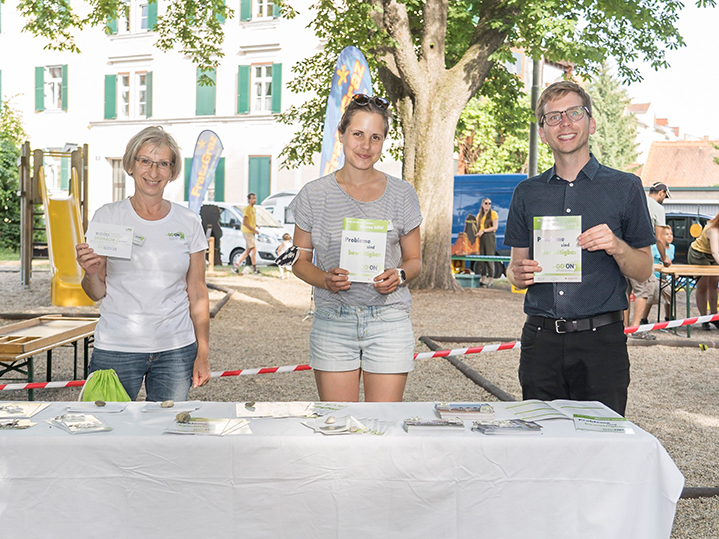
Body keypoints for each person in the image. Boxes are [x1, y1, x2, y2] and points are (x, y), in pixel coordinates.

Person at [505, 81, 655, 416]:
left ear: (592, 122)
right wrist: (515, 274)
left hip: (601, 342)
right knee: (541, 448)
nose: (565, 123)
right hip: (540, 341)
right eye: (553, 117)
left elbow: (645, 269)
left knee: (602, 449)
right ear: (542, 132)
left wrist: (616, 246)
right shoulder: (526, 193)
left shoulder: (626, 187)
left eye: (574, 113)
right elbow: (515, 271)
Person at [289, 93, 423, 402]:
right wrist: (324, 279)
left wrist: (400, 275)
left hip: (389, 321)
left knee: (383, 426)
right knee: (338, 427)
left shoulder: (403, 194)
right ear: (341, 134)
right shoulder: (313, 194)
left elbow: (415, 260)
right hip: (333, 322)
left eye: (375, 137)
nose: (365, 146)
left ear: (384, 141)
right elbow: (300, 261)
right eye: (357, 134)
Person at [75, 126, 211, 401]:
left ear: (172, 172)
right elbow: (95, 292)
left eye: (163, 163)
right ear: (131, 165)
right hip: (116, 347)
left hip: (175, 349)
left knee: (164, 437)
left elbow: (197, 292)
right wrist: (91, 272)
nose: (153, 171)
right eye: (145, 161)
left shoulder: (188, 221)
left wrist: (203, 352)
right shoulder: (108, 217)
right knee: (107, 432)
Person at [625, 181, 671, 335]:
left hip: (623, 250)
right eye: (665, 195)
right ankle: (636, 329)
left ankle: (624, 328)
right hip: (641, 252)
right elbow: (659, 237)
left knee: (625, 291)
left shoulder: (634, 200)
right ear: (661, 192)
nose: (664, 198)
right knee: (642, 291)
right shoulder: (658, 208)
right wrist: (665, 258)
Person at [687, 212, 719, 330]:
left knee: (714, 284)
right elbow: (716, 252)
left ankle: (715, 316)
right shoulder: (713, 230)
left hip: (713, 255)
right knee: (702, 285)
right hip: (699, 254)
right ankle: (704, 318)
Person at [641, 226, 675, 324]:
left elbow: (671, 262)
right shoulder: (655, 248)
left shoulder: (672, 247)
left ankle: (668, 317)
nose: (669, 236)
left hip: (665, 277)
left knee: (669, 294)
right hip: (654, 275)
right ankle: (644, 318)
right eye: (666, 234)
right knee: (652, 297)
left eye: (671, 234)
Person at [232, 192, 261, 274]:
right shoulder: (247, 209)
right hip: (247, 232)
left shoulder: (253, 209)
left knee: (247, 251)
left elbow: (251, 221)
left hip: (251, 232)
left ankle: (235, 266)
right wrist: (254, 229)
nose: (254, 200)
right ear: (249, 200)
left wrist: (256, 226)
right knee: (254, 249)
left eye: (255, 198)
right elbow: (245, 222)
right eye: (253, 198)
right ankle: (254, 269)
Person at [477, 198, 499, 287]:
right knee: (481, 258)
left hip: (489, 236)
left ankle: (490, 280)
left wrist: (484, 231)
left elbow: (495, 227)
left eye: (489, 203)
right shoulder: (479, 215)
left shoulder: (493, 214)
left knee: (489, 257)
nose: (488, 205)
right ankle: (482, 279)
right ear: (482, 204)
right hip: (481, 237)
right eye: (486, 203)